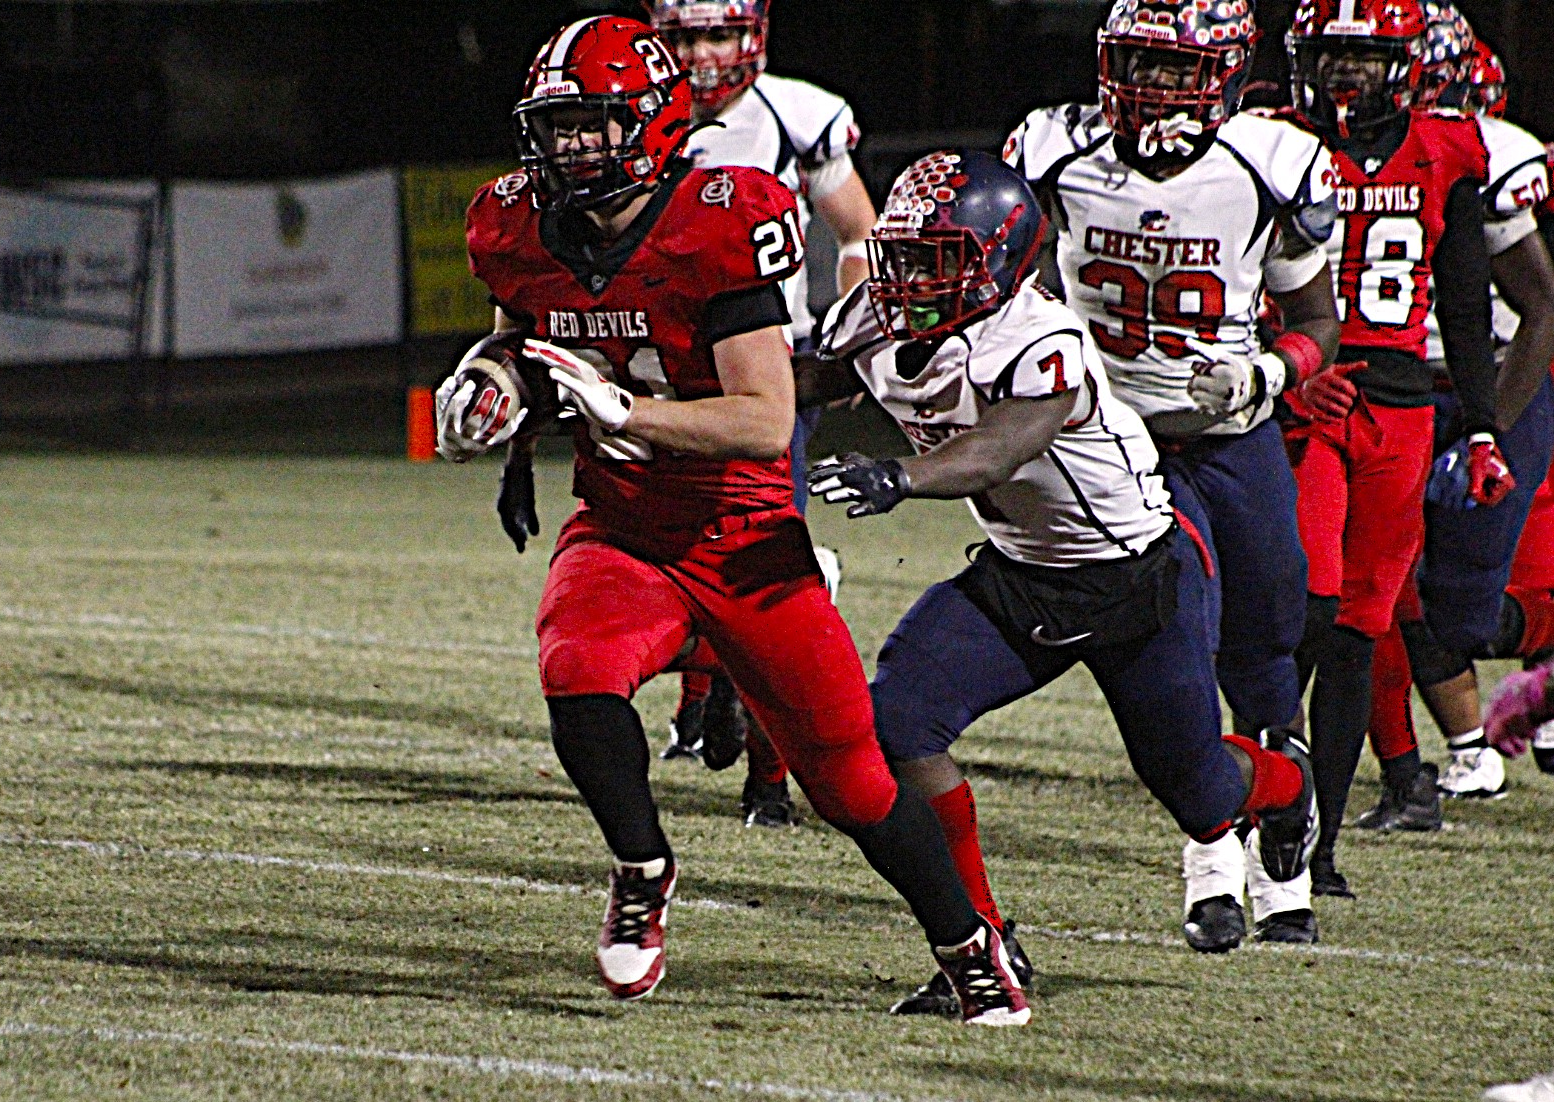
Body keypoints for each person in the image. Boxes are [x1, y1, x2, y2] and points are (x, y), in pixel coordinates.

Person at [439, 15, 1028, 1023]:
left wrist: (626, 411)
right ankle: (641, 868)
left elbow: (762, 420)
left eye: (592, 124)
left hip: (743, 534)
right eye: (557, 126)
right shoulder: (517, 224)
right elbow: (519, 340)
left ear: (654, 121)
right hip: (623, 524)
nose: (571, 146)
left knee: (852, 785)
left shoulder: (719, 218)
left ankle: (968, 948)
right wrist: (486, 387)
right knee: (576, 668)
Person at [801, 150, 1318, 1017]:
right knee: (896, 723)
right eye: (903, 256)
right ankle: (982, 941)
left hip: (1133, 579)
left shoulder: (1041, 337)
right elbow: (799, 382)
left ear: (999, 261)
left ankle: (1286, 784)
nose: (909, 280)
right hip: (1021, 576)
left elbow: (997, 449)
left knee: (1199, 790)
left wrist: (899, 475)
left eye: (936, 261)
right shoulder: (875, 314)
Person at [1002, 0, 1342, 950]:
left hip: (1234, 439)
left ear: (1224, 71)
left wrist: (1266, 372)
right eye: (1137, 62)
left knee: (1267, 648)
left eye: (1173, 67)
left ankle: (1284, 858)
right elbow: (1009, 281)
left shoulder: (1268, 163)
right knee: (1182, 642)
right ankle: (1211, 866)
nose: (1150, 86)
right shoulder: (1056, 152)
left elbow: (1317, 322)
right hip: (1118, 447)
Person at [1282, 0, 1509, 897]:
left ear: (1404, 63)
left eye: (1364, 55)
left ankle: (1319, 848)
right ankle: (1267, 817)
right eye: (1330, 53)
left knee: (1357, 629)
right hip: (1308, 397)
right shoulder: (1274, 142)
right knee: (1299, 613)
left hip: (1400, 408)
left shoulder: (1446, 150)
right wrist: (1282, 371)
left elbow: (1464, 300)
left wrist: (1484, 426)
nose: (1344, 71)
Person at [645, 0, 878, 827]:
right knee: (670, 552)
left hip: (766, 366)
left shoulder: (795, 115)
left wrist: (848, 340)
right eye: (684, 36)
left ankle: (768, 778)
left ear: (752, 35)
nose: (702, 54)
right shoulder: (634, 114)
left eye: (718, 33)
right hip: (665, 366)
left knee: (762, 563)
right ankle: (703, 695)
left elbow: (858, 234)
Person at [1359, 19, 1554, 822]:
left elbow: (1540, 308)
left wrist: (1485, 430)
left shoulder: (1487, 153)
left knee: (1458, 614)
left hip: (1494, 383)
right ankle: (1445, 764)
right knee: (1374, 591)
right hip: (1389, 384)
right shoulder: (1330, 152)